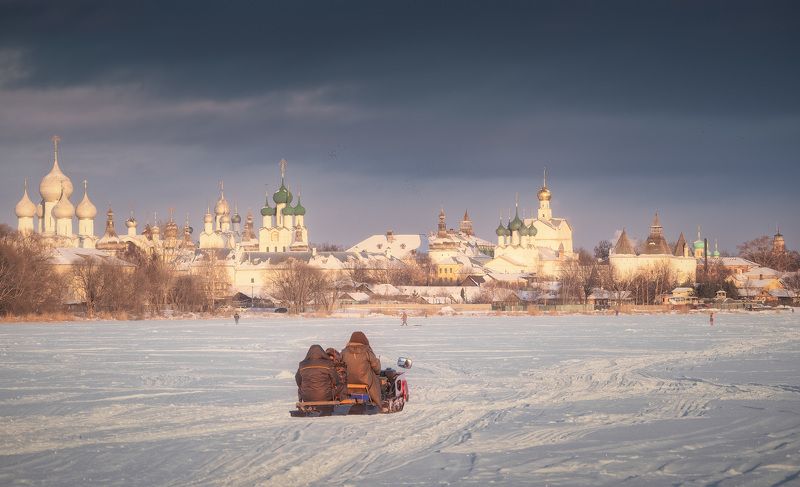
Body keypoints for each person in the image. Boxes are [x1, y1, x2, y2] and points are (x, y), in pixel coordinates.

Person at [341, 331, 382, 405]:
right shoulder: (367, 351)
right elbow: (377, 369)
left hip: (347, 383)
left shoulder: (344, 352)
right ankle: (377, 402)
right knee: (376, 379)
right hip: (366, 383)